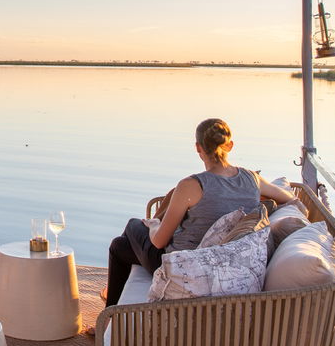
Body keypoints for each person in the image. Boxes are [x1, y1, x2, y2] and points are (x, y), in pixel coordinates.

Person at [102, 117, 294, 307]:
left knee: (133, 225)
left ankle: (109, 311)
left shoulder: (191, 186)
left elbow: (159, 241)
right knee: (119, 246)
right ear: (230, 145)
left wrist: (155, 225)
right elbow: (289, 198)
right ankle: (110, 310)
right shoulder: (252, 179)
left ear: (198, 148)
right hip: (224, 265)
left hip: (185, 268)